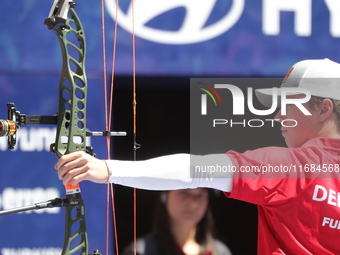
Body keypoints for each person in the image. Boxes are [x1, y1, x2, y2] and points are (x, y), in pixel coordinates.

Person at [55, 58, 340, 255]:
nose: (279, 115)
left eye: (289, 104)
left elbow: (197, 169)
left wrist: (107, 169)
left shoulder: (292, 167)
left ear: (323, 110)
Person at [122, 188, 232, 255]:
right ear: (165, 196)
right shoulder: (141, 251)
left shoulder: (220, 251)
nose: (192, 203)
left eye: (200, 195)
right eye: (184, 192)